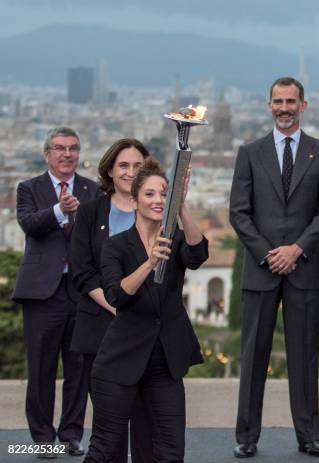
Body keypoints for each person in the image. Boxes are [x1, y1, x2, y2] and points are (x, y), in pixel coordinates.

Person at [229, 77, 319, 459]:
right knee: (253, 355)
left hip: (304, 268)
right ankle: (246, 436)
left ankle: (308, 436)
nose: (284, 108)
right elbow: (238, 213)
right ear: (268, 105)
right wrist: (268, 253)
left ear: (303, 106)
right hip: (261, 270)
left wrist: (296, 250)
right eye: (278, 101)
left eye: (291, 101)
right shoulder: (249, 152)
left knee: (304, 355)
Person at [82, 158, 208, 462]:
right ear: (134, 200)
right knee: (105, 448)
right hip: (121, 359)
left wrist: (180, 206)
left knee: (170, 449)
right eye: (150, 194)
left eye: (164, 194)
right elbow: (116, 296)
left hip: (165, 360)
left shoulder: (175, 239)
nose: (158, 200)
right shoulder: (116, 245)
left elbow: (198, 254)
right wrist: (149, 263)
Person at [13, 126, 99, 458]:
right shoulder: (29, 188)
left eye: (73, 148)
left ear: (79, 153)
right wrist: (61, 211)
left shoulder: (93, 190)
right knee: (41, 369)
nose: (67, 154)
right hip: (42, 293)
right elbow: (29, 224)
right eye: (60, 148)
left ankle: (71, 434)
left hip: (80, 290)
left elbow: (97, 238)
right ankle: (42, 438)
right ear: (46, 154)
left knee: (79, 368)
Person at [70, 138, 153, 462]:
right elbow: (81, 270)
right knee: (109, 426)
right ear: (109, 169)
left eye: (137, 166)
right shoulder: (91, 211)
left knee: (147, 423)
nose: (130, 172)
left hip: (147, 331)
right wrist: (114, 302)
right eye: (123, 165)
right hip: (102, 329)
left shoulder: (157, 210)